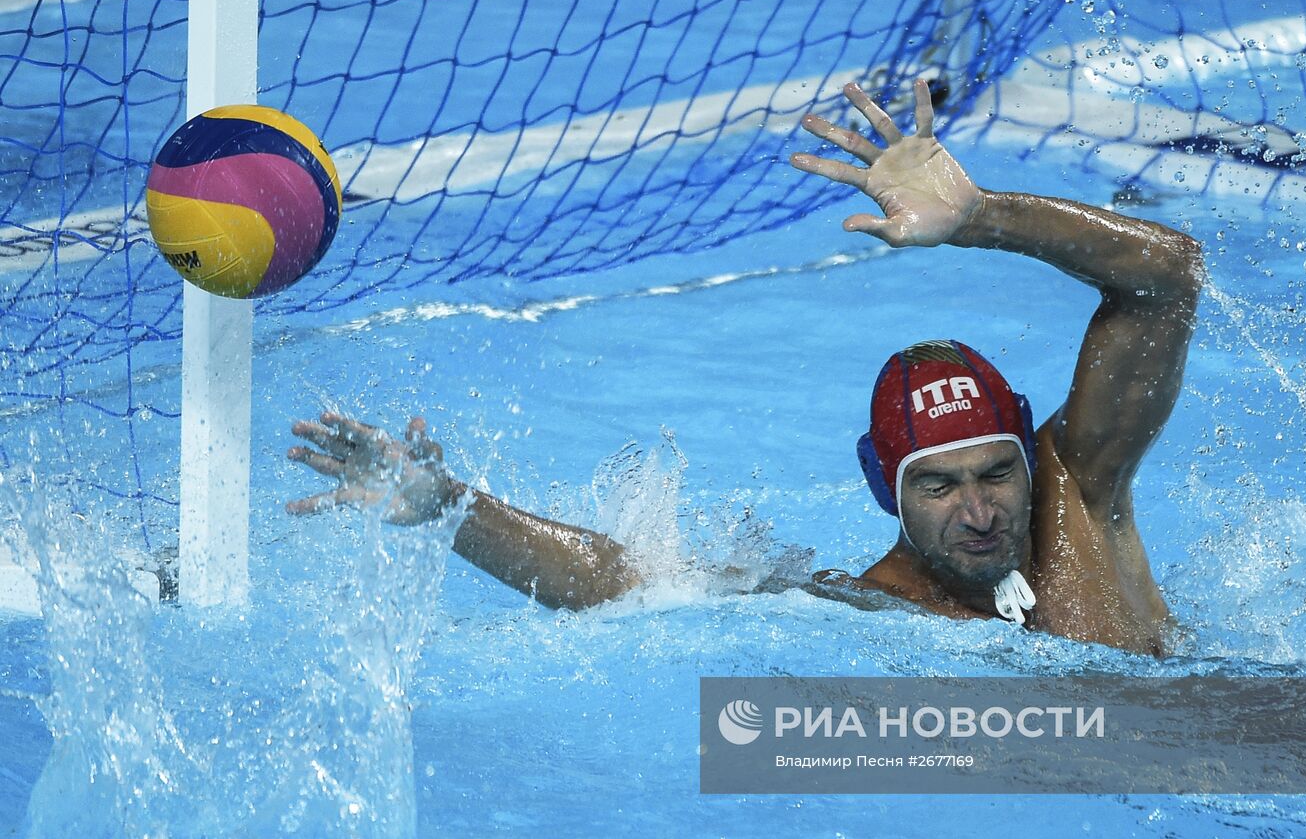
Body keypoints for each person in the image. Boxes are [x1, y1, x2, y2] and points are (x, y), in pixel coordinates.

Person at [287, 80, 1202, 657]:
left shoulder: (1079, 487)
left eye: (998, 471)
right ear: (887, 489)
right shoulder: (872, 613)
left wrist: (982, 216)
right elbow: (632, 581)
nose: (979, 510)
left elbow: (1168, 277)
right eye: (939, 484)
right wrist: (453, 506)